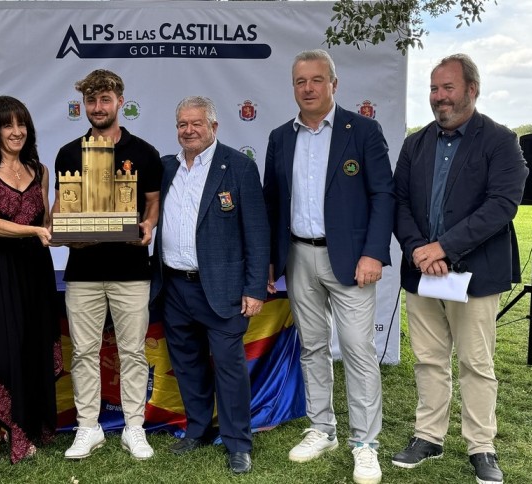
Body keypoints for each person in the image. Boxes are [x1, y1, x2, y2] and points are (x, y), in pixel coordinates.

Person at [392, 54, 528, 484]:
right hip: (423, 273)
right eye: (434, 89)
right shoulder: (416, 143)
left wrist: (443, 248)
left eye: (447, 88)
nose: (439, 97)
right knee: (429, 360)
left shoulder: (501, 141)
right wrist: (418, 250)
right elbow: (399, 202)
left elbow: (502, 206)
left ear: (472, 89)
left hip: (474, 274)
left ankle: (481, 446)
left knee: (476, 362)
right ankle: (428, 436)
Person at [262, 49, 394, 484]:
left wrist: (374, 253)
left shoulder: (364, 130)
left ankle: (365, 443)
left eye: (317, 79)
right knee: (312, 347)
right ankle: (322, 429)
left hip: (353, 260)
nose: (309, 88)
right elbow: (271, 204)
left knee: (357, 350)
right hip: (298, 256)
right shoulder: (280, 137)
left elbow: (383, 197)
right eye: (301, 81)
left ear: (334, 84)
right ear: (294, 87)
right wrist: (269, 261)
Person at [150, 96, 270, 474]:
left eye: (196, 123)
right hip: (173, 286)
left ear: (214, 127)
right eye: (182, 124)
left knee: (230, 368)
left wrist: (254, 289)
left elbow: (257, 231)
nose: (189, 130)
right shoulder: (166, 168)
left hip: (222, 288)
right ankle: (198, 430)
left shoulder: (238, 166)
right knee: (187, 364)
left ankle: (238, 443)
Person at [52, 69, 162, 460]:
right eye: (91, 101)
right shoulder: (68, 153)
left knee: (132, 351)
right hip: (82, 272)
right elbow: (59, 211)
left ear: (120, 101)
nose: (97, 108)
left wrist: (148, 224)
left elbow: (151, 201)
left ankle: (134, 427)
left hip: (132, 271)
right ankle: (88, 427)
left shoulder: (144, 152)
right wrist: (60, 227)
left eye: (105, 100)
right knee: (83, 352)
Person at [0, 96, 63, 467]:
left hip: (35, 268)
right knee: (2, 345)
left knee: (31, 344)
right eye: (7, 124)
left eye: (21, 124)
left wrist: (72, 222)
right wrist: (36, 229)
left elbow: (47, 222)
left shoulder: (41, 169)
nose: (16, 131)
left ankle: (21, 425)